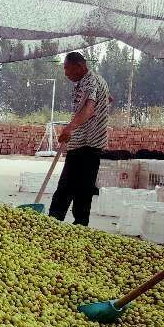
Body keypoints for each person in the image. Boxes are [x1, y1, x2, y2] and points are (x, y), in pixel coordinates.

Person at [49, 51, 111, 227]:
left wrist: (69, 128)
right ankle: (79, 224)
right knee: (82, 188)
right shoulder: (98, 80)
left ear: (80, 66)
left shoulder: (90, 82)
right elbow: (107, 97)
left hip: (87, 143)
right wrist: (105, 101)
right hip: (87, 144)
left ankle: (54, 222)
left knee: (68, 186)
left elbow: (89, 108)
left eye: (67, 69)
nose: (66, 74)